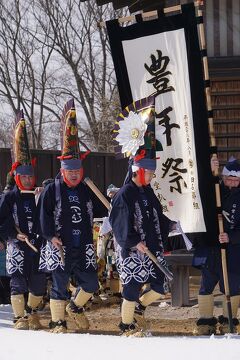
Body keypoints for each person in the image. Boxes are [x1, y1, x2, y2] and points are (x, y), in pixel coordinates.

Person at [110, 99, 176, 336]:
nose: (151, 176)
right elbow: (119, 225)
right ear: (138, 170)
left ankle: (138, 309)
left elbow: (158, 217)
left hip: (152, 247)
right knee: (132, 286)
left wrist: (173, 224)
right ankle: (126, 325)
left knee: (159, 286)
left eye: (152, 172)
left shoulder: (148, 191)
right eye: (149, 172)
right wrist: (133, 241)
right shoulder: (124, 195)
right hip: (133, 249)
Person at [39, 99, 101, 333]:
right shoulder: (52, 189)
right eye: (70, 171)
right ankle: (57, 322)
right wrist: (49, 236)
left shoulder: (87, 188)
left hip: (82, 244)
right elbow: (42, 215)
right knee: (59, 284)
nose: (74, 175)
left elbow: (101, 210)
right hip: (60, 244)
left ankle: (74, 307)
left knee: (91, 283)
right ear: (63, 171)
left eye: (77, 171)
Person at [0, 110, 46, 330]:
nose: (28, 179)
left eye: (30, 176)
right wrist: (11, 234)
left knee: (38, 284)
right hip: (16, 246)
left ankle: (32, 312)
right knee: (17, 282)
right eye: (24, 176)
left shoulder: (38, 195)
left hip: (36, 245)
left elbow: (46, 217)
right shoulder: (9, 197)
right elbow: (1, 219)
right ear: (17, 177)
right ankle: (19, 318)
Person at [193, 157, 240, 335]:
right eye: (229, 179)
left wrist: (231, 237)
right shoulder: (214, 190)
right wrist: (210, 169)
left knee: (232, 286)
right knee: (207, 283)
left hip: (233, 250)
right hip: (211, 246)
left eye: (236, 180)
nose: (233, 183)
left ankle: (229, 321)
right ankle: (205, 322)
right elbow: (201, 186)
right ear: (223, 177)